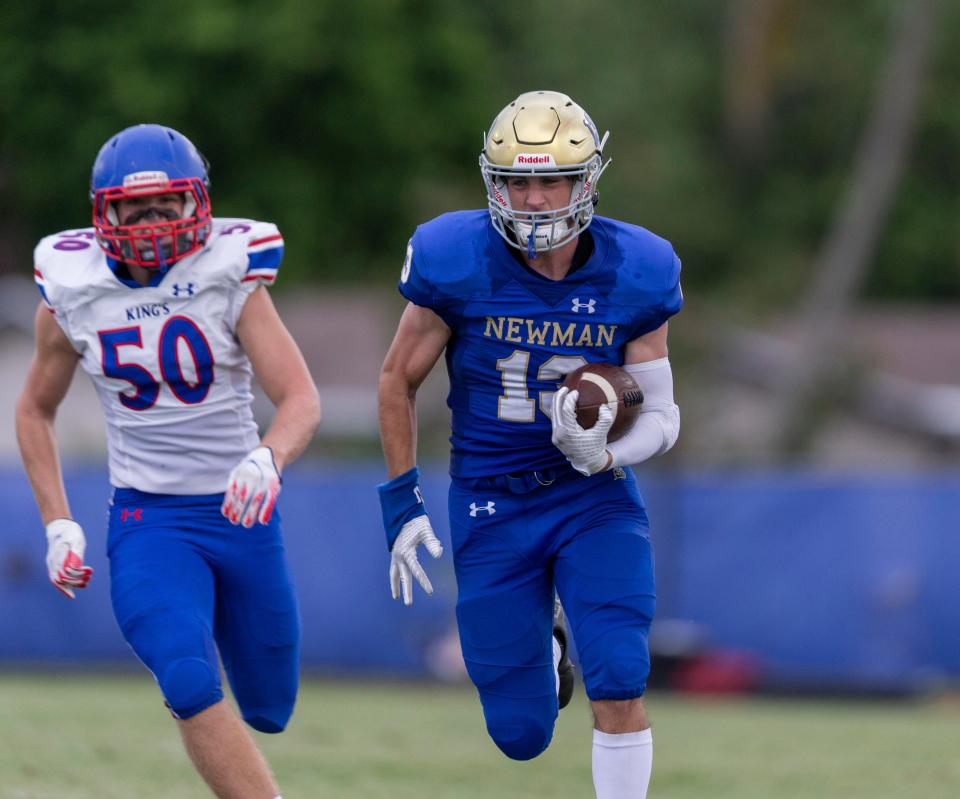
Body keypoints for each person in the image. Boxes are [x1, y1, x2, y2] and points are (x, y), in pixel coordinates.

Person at [377, 90, 681, 798]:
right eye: (519, 181)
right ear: (494, 182)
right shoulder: (454, 257)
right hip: (491, 503)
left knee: (620, 672)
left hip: (592, 498)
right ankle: (544, 646)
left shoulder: (637, 267)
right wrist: (401, 505)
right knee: (520, 735)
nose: (536, 199)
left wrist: (604, 455)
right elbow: (397, 380)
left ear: (587, 182)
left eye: (553, 181)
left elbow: (662, 415)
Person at [15, 123, 320, 799]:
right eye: (135, 208)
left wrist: (268, 458)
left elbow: (299, 396)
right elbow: (35, 409)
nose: (152, 222)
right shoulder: (74, 291)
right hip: (148, 517)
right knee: (186, 678)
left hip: (242, 512)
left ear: (196, 206)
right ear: (106, 214)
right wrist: (58, 523)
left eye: (166, 205)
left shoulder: (229, 276)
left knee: (271, 705)